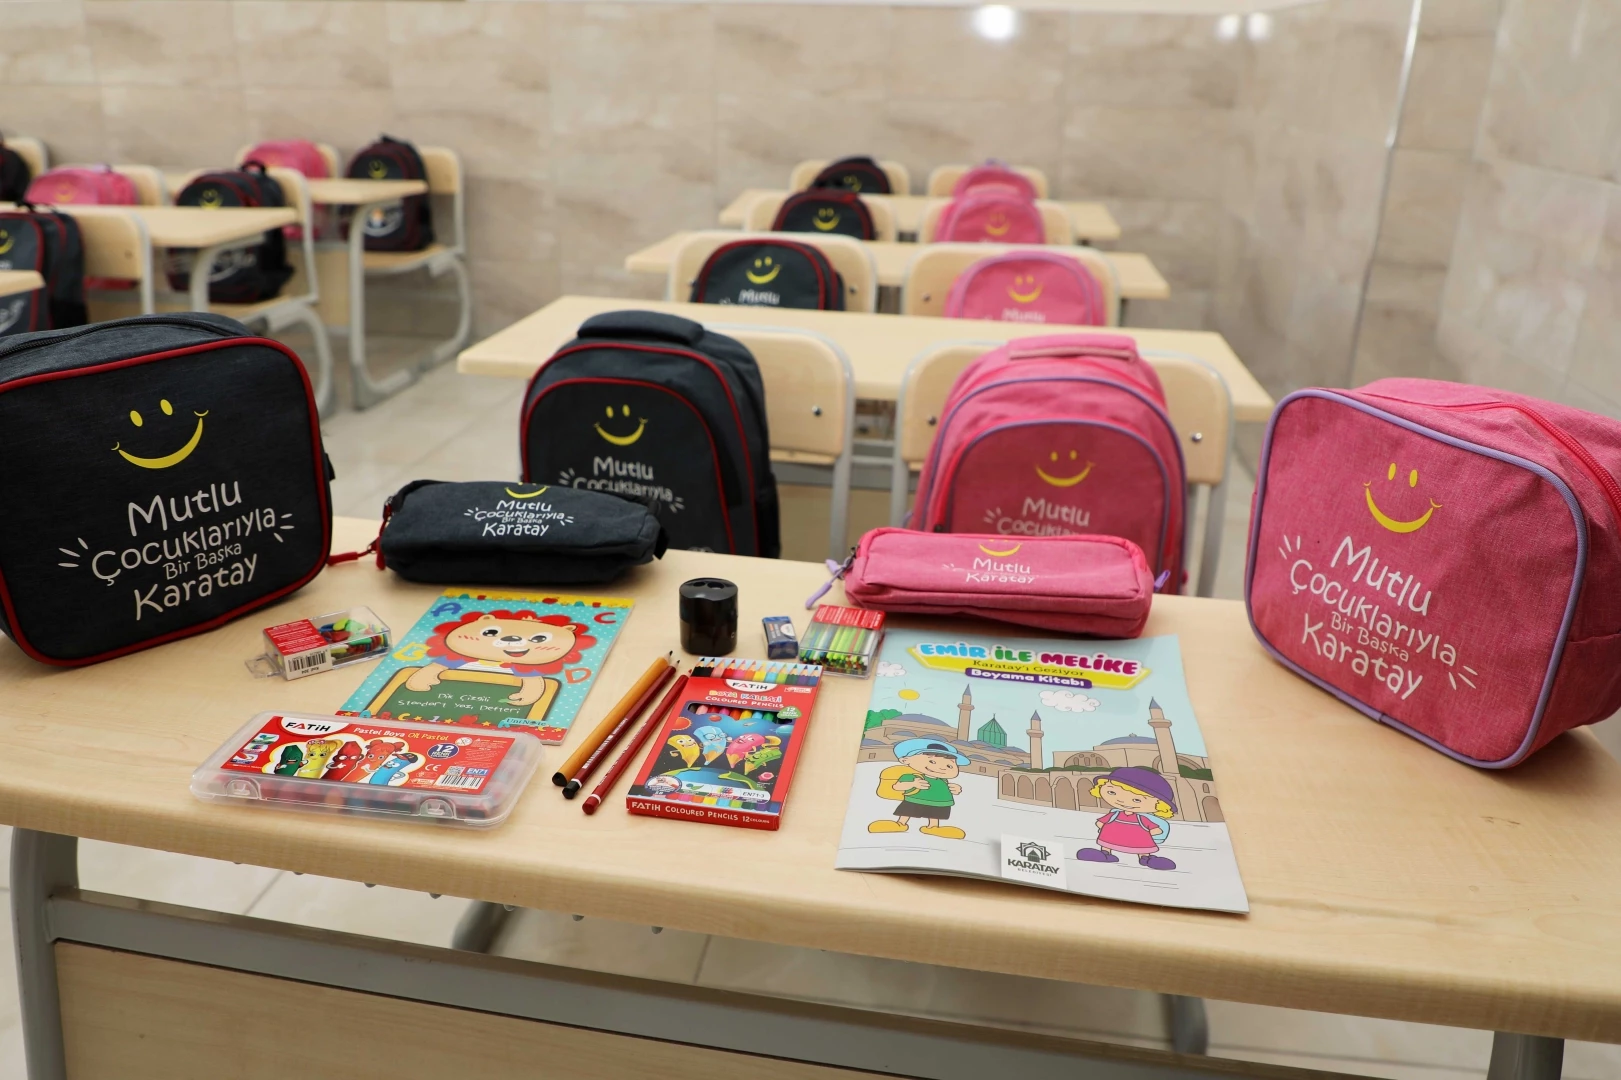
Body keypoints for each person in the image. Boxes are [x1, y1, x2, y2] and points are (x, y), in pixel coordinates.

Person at [1075, 766, 1177, 870]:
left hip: (1138, 841)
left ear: (1160, 805)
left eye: (1137, 800)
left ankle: (1146, 858)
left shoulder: (1142, 818)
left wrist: (1143, 834)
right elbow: (1101, 822)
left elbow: (1156, 830)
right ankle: (1105, 854)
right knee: (1107, 845)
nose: (1122, 801)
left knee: (1143, 850)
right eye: (1112, 792)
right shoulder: (1115, 814)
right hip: (1112, 838)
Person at [868, 738, 969, 840]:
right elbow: (897, 786)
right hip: (914, 801)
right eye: (932, 761)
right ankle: (900, 823)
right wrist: (913, 784)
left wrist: (955, 789)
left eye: (949, 766)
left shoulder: (943, 780)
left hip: (939, 803)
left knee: (935, 815)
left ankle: (933, 827)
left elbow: (946, 789)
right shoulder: (912, 776)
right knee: (906, 813)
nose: (942, 768)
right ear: (905, 760)